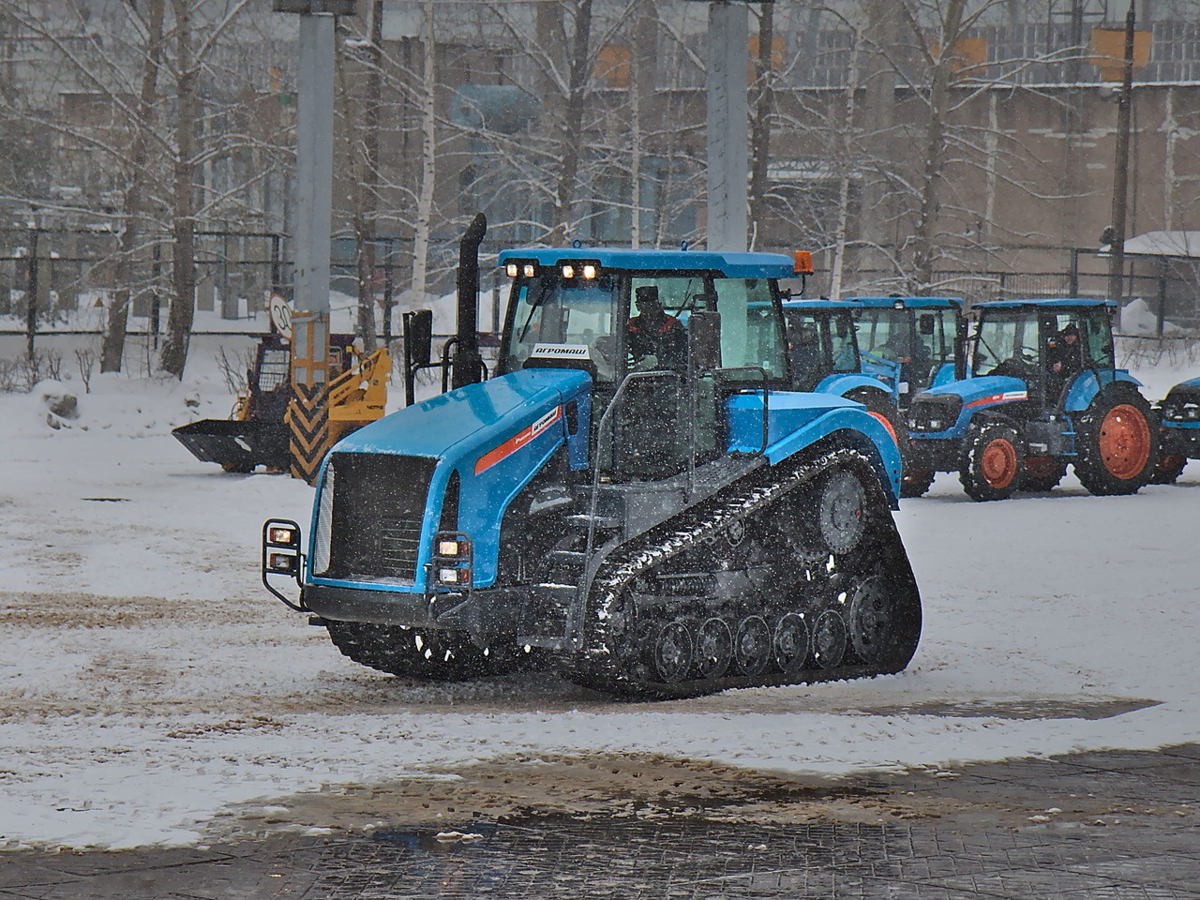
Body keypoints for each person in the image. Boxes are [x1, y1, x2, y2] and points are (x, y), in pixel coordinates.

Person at [627, 285, 686, 370]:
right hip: (636, 376)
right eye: (644, 306)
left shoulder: (673, 326)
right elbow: (621, 350)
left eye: (652, 305)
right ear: (637, 307)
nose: (649, 311)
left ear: (659, 305)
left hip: (669, 376)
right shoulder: (631, 327)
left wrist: (661, 362)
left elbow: (683, 355)